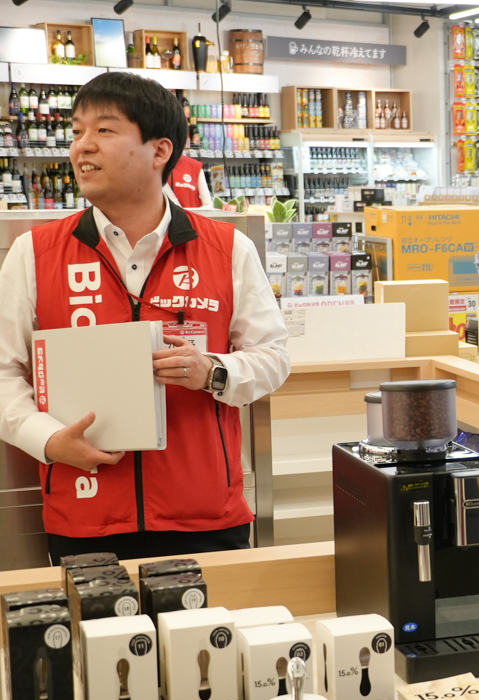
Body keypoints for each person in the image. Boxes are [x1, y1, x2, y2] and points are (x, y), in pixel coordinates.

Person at [0, 72, 290, 564]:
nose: (81, 147)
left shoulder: (226, 248)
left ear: (159, 151)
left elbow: (273, 357)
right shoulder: (34, 253)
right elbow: (5, 372)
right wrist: (47, 440)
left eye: (105, 131)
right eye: (76, 131)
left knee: (206, 641)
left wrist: (214, 371)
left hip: (205, 516)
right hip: (86, 515)